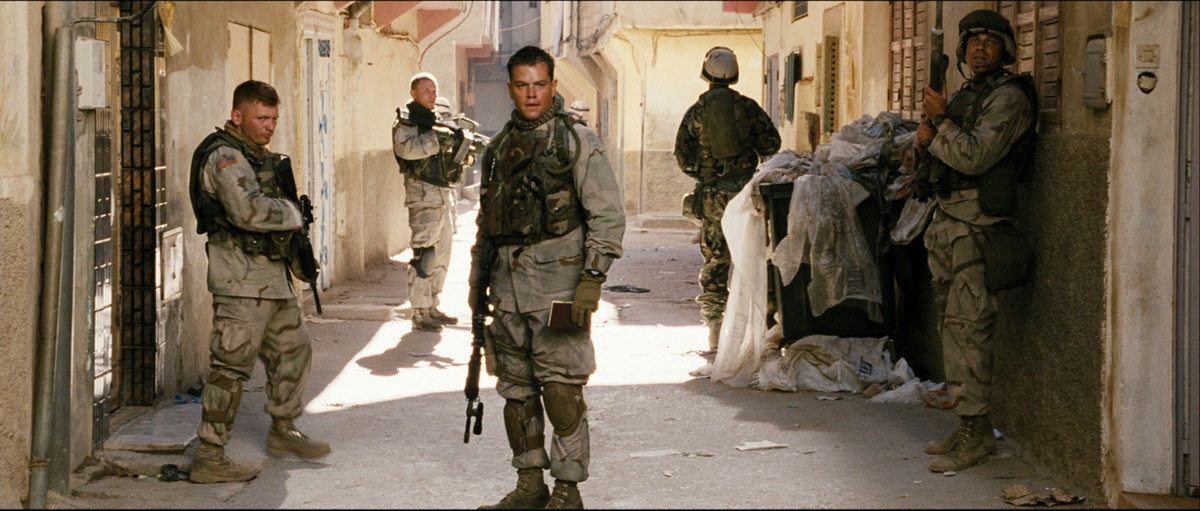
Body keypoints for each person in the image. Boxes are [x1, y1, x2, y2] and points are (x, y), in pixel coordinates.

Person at [469, 45, 625, 509]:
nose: (532, 94)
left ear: (553, 85)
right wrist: (477, 285)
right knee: (516, 392)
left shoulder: (577, 141)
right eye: (522, 85)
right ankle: (530, 485)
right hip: (507, 289)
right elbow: (486, 223)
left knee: (561, 390)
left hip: (560, 288)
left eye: (540, 84)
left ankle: (567, 489)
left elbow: (607, 217)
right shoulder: (497, 148)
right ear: (510, 88)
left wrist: (592, 279)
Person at [187, 80, 331, 484]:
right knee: (230, 368)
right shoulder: (225, 157)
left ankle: (283, 430)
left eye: (274, 119)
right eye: (261, 118)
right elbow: (248, 212)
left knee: (295, 352)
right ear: (237, 116)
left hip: (271, 280)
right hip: (240, 283)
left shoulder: (254, 155)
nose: (269, 126)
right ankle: (210, 455)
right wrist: (294, 213)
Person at [914, 9, 1037, 473]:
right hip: (948, 221)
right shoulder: (967, 95)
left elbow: (974, 156)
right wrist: (923, 139)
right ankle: (973, 426)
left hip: (977, 228)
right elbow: (937, 154)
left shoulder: (1009, 98)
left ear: (1006, 49)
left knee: (970, 330)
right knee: (952, 329)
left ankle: (975, 434)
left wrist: (940, 122)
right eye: (973, 41)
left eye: (990, 41)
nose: (980, 48)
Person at [674, 46, 780, 359]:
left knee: (715, 263)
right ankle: (765, 325)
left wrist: (704, 176)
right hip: (746, 196)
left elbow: (683, 156)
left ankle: (715, 329)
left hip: (713, 199)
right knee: (756, 258)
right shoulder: (748, 108)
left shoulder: (696, 112)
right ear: (734, 75)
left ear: (706, 73)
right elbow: (771, 144)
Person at [393, 73, 464, 332]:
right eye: (426, 90)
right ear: (413, 93)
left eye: (434, 90)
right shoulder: (407, 122)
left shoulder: (436, 121)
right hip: (423, 196)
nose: (432, 95)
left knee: (442, 253)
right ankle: (419, 311)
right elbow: (406, 150)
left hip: (442, 194)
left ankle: (432, 305)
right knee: (425, 255)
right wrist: (437, 139)